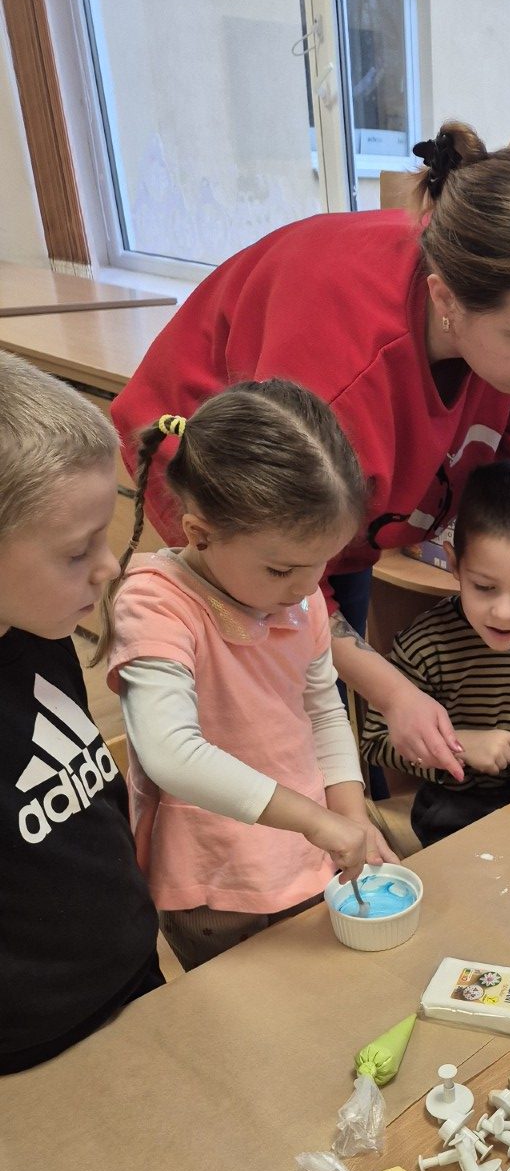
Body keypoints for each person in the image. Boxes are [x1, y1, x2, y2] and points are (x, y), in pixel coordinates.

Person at [110, 121, 510, 778]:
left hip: (323, 499)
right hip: (235, 480)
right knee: (264, 700)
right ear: (446, 300)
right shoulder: (344, 377)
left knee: (325, 684)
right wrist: (393, 693)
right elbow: (295, 578)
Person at [97, 381, 396, 971]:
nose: (306, 587)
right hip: (217, 880)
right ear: (199, 533)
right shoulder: (155, 605)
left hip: (307, 853)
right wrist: (316, 820)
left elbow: (323, 709)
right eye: (282, 569)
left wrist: (350, 813)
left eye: (322, 564)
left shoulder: (300, 597)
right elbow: (170, 754)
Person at [0, 352, 162, 1070]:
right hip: (33, 1051)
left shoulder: (40, 630)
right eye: (77, 552)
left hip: (132, 975)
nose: (109, 566)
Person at [360, 459, 510, 846]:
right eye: (484, 587)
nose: (504, 613)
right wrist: (459, 747)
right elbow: (377, 740)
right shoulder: (425, 643)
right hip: (454, 808)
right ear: (454, 564)